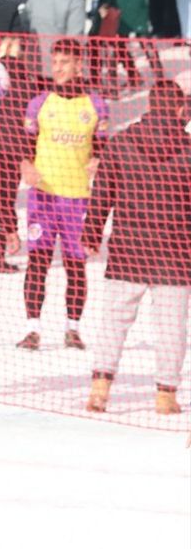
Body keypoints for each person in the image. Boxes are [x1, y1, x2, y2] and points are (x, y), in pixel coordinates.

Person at [82, 79, 190, 415]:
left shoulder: (121, 142)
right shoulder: (188, 148)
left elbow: (102, 192)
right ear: (179, 108)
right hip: (176, 253)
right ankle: (165, 395)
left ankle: (100, 389)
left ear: (149, 105)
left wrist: (91, 232)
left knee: (114, 321)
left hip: (129, 249)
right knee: (171, 326)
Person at [17, 38, 108, 351]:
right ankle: (32, 330)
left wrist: (99, 159)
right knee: (38, 263)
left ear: (78, 64)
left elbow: (104, 147)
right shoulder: (39, 102)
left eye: (64, 63)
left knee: (75, 265)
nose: (58, 69)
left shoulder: (95, 104)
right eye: (54, 63)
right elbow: (24, 146)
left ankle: (73, 329)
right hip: (43, 196)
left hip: (77, 198)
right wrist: (26, 165)